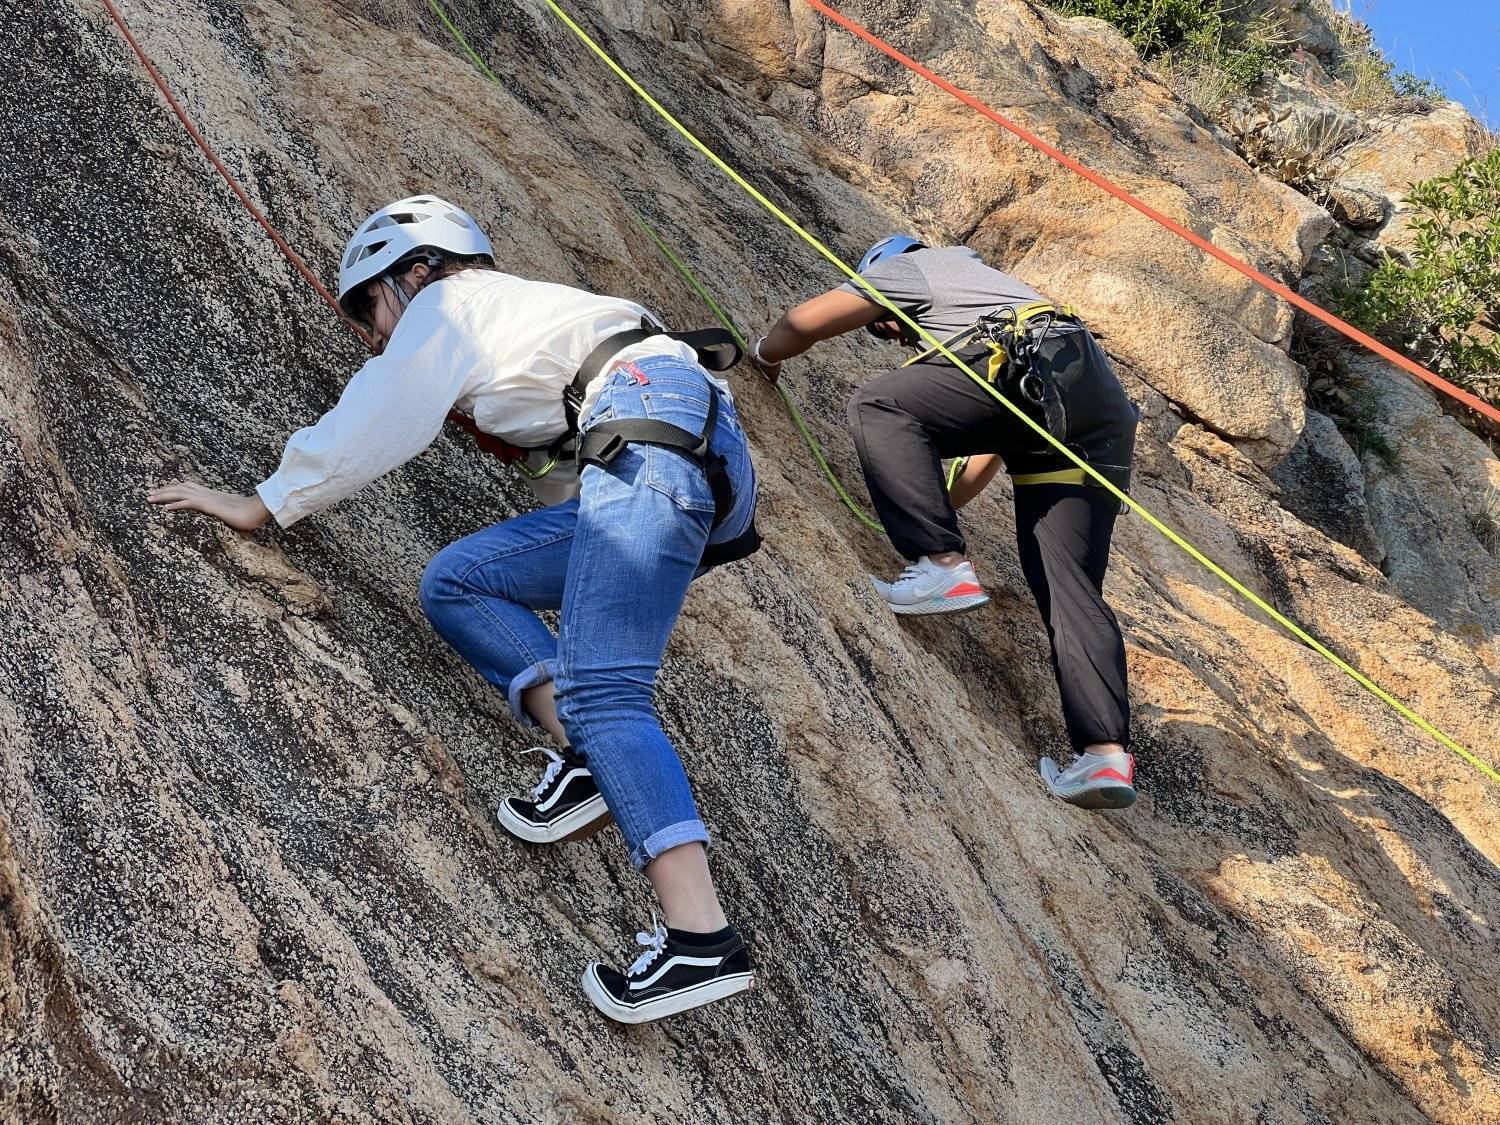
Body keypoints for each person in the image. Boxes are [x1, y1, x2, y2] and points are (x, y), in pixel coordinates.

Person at [148, 195, 758, 1021]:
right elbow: (571, 483)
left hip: (649, 438)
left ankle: (701, 937)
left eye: (368, 305)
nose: (370, 333)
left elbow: (380, 414)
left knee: (607, 689)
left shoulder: (447, 304)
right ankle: (584, 756)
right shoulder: (534, 320)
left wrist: (264, 502)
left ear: (417, 269)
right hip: (681, 448)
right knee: (460, 580)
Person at [750, 236, 1139, 810]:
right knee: (1071, 592)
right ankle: (1103, 756)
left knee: (880, 404)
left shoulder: (913, 267)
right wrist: (924, 504)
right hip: (1092, 407)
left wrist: (762, 358)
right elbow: (979, 466)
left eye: (887, 328)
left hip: (1022, 367)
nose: (899, 338)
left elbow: (803, 322)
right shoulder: (989, 293)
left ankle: (938, 566)